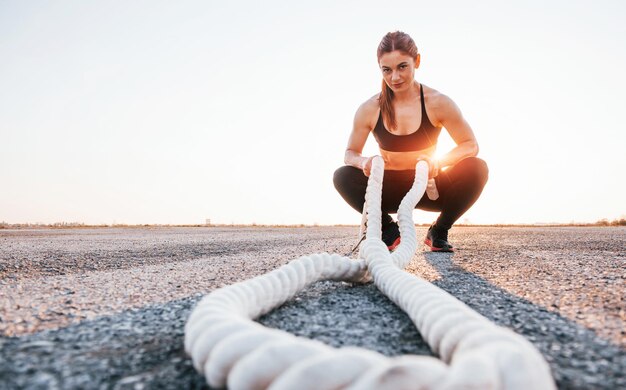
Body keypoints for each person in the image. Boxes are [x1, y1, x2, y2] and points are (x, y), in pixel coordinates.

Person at [333, 31, 488, 252]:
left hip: (429, 186)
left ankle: (439, 231)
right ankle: (388, 229)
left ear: (417, 61)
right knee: (342, 176)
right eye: (387, 70)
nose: (394, 77)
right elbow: (350, 153)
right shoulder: (370, 108)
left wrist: (439, 162)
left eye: (402, 67)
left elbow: (470, 144)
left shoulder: (438, 102)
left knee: (477, 168)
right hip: (389, 189)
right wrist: (364, 162)